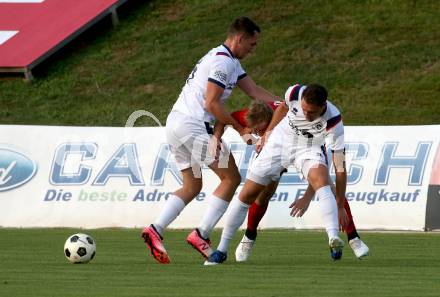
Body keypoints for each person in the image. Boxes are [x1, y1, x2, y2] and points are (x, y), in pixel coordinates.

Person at [140, 16, 280, 264]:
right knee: (232, 177)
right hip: (194, 125)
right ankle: (201, 234)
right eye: (252, 43)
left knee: (192, 185)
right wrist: (239, 129)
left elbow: (254, 90)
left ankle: (155, 229)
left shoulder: (228, 61)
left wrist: (282, 104)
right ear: (240, 38)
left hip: (176, 124)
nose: (253, 49)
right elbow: (212, 103)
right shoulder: (223, 63)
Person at [205, 83, 350, 265]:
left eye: (311, 113)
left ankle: (333, 238)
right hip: (280, 142)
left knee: (321, 180)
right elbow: (283, 106)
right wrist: (268, 133)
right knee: (247, 195)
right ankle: (222, 249)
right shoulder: (295, 92)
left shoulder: (334, 121)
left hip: (308, 148)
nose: (305, 115)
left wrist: (340, 204)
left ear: (323, 106)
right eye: (303, 110)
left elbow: (339, 166)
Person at [227, 100, 369, 262]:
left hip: (306, 148)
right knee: (264, 193)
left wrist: (307, 198)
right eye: (257, 131)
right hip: (278, 149)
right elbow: (229, 117)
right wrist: (242, 133)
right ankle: (249, 236)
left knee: (329, 187)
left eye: (261, 130)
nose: (258, 133)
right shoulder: (271, 109)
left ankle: (353, 238)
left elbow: (337, 167)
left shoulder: (331, 124)